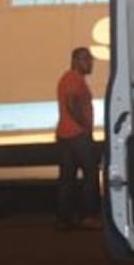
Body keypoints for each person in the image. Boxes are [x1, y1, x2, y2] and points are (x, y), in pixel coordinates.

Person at [55, 47, 101, 230]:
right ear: (76, 60)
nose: (90, 64)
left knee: (67, 178)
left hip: (65, 135)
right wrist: (84, 126)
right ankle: (88, 215)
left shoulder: (67, 78)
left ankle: (64, 218)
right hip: (77, 135)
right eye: (87, 60)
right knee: (91, 173)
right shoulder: (74, 79)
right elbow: (72, 102)